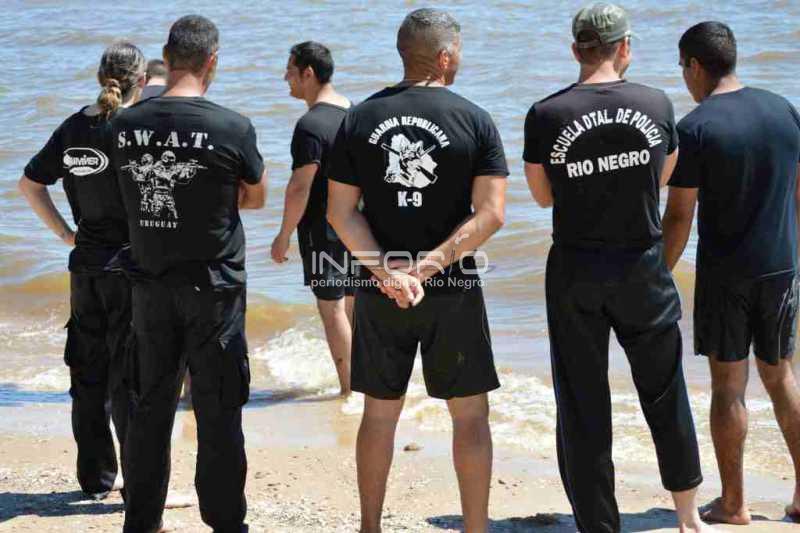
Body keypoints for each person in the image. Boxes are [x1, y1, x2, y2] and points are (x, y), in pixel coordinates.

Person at [523, 4, 712, 532]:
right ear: (624, 47)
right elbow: (662, 176)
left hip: (576, 268)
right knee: (665, 391)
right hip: (642, 265)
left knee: (582, 402)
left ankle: (599, 526)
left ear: (575, 50)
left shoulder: (546, 113)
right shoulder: (656, 102)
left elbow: (542, 196)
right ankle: (688, 516)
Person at [327, 8, 507, 532]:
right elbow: (491, 214)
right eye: (460, 50)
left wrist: (390, 275)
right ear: (445, 57)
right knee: (469, 414)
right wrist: (425, 270)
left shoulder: (358, 118)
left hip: (381, 289)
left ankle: (370, 527)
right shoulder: (475, 119)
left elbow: (340, 214)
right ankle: (476, 528)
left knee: (379, 413)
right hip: (452, 286)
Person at [109, 15, 266, 532]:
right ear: (212, 61)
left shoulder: (123, 124)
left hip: (150, 286)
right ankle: (225, 523)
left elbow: (122, 195)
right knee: (219, 412)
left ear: (167, 55)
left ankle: (142, 522)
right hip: (214, 289)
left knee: (150, 407)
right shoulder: (232, 126)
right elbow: (255, 197)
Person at [662, 21, 800, 525]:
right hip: (782, 267)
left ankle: (734, 503)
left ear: (695, 66)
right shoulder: (784, 110)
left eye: (683, 67)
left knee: (729, 387)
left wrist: (658, 275)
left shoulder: (695, 128)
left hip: (726, 275)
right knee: (782, 377)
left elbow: (680, 216)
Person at [18, 42, 145, 499]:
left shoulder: (73, 127)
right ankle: (139, 487)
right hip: (129, 268)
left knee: (87, 376)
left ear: (100, 76)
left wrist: (66, 234)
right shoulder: (136, 128)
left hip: (86, 268)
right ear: (142, 81)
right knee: (129, 379)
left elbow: (29, 184)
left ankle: (95, 480)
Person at [270, 41, 354, 395]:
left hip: (324, 230)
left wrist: (283, 235)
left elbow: (299, 187)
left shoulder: (310, 125)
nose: (285, 78)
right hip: (360, 225)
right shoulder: (356, 113)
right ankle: (366, 385)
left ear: (308, 73)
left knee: (332, 308)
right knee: (353, 304)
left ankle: (350, 390)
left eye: (290, 71)